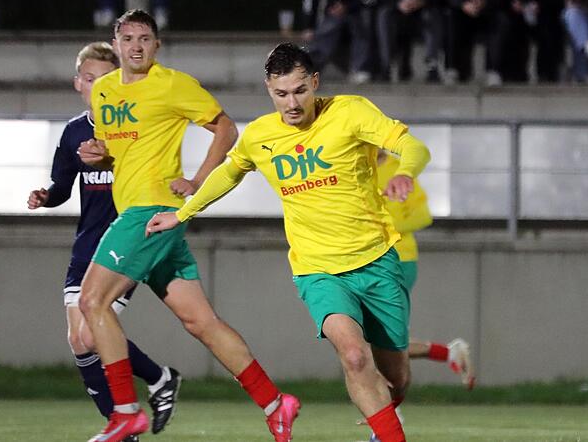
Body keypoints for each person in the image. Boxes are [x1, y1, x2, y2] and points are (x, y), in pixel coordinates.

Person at [147, 42, 432, 442]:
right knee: (352, 354)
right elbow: (230, 173)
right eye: (281, 93)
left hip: (377, 259)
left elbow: (412, 145)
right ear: (269, 89)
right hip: (317, 269)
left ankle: (387, 410)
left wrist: (406, 172)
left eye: (300, 90)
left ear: (314, 82)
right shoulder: (261, 135)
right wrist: (182, 213)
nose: (292, 102)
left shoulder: (350, 112)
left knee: (396, 374)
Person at [77, 10, 301, 442]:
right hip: (143, 215)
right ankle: (276, 403)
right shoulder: (104, 91)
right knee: (201, 323)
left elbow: (226, 129)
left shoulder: (173, 84)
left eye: (145, 38)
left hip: (152, 212)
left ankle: (125, 411)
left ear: (157, 45)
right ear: (117, 43)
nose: (137, 46)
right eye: (128, 38)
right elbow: (118, 150)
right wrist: (98, 155)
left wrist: (198, 183)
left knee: (92, 302)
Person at [26, 42, 181, 442]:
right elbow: (62, 186)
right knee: (79, 340)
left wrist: (113, 159)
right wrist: (47, 197)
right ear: (78, 82)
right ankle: (140, 401)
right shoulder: (75, 132)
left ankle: (130, 413)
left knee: (91, 333)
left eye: (105, 79)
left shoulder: (133, 128)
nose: (97, 86)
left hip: (125, 241)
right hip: (86, 244)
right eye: (90, 79)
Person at [376, 149, 476, 391]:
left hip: (399, 260)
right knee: (371, 342)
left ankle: (388, 415)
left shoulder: (398, 171)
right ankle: (450, 353)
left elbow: (422, 216)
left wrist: (380, 228)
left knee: (385, 341)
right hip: (364, 261)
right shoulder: (351, 168)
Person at [301, 0, 375, 84]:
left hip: (359, 8)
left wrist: (348, 6)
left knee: (361, 26)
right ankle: (311, 67)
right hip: (334, 9)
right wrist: (309, 26)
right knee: (327, 30)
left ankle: (360, 68)